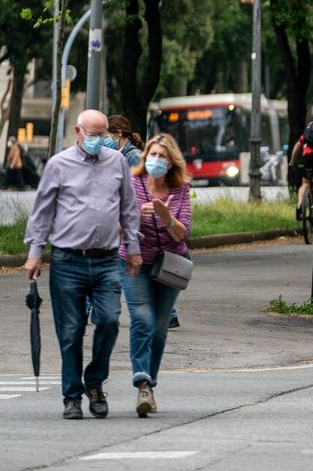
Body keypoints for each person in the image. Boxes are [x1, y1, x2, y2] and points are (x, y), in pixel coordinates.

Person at [23, 110, 141, 421]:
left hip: (105, 260)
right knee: (71, 331)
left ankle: (95, 380)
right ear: (77, 131)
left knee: (109, 320)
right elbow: (42, 211)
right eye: (93, 133)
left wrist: (134, 248)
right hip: (67, 260)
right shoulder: (58, 165)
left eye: (103, 134)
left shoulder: (116, 163)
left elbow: (129, 208)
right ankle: (72, 396)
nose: (99, 139)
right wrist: (35, 253)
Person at [121, 133, 191, 417]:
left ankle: (150, 381)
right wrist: (139, 215)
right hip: (134, 262)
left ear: (172, 161)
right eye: (152, 154)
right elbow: (118, 223)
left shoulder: (180, 188)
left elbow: (182, 232)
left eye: (162, 156)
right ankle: (142, 382)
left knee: (160, 327)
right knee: (142, 319)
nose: (156, 160)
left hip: (169, 265)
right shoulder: (132, 183)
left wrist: (165, 217)